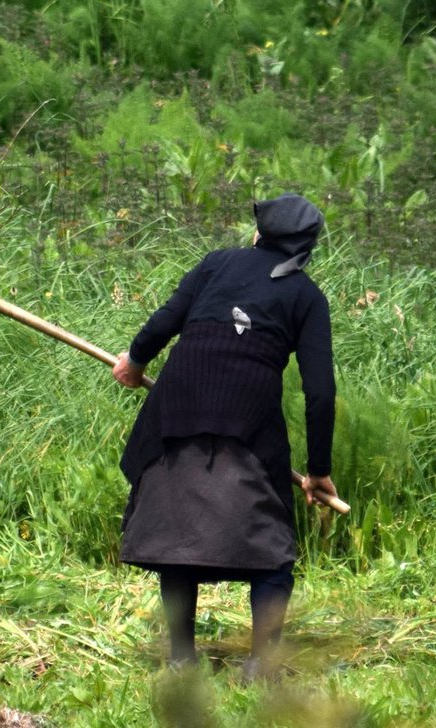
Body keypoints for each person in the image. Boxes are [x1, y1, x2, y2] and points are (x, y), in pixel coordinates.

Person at [111, 192, 338, 680]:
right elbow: (320, 393)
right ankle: (261, 663)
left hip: (178, 409)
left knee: (177, 537)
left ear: (260, 233)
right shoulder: (307, 296)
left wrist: (135, 360)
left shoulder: (217, 264)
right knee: (271, 551)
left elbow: (165, 321)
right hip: (248, 424)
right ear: (306, 248)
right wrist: (319, 470)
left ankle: (181, 659)